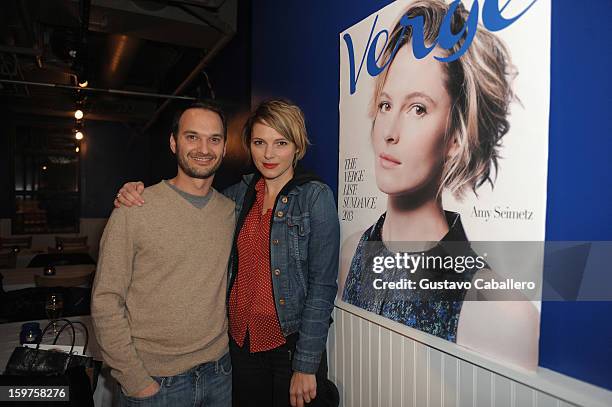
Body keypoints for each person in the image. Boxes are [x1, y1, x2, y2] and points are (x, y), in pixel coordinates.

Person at [339, 0, 539, 368]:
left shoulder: (498, 309)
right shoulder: (352, 254)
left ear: (456, 138)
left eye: (418, 108)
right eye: (385, 105)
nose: (390, 133)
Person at [115, 99, 340, 406]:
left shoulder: (315, 198)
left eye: (281, 142)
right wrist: (135, 191)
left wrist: (306, 363)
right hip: (239, 347)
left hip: (288, 350)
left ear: (297, 147)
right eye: (260, 142)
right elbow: (191, 201)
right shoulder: (236, 197)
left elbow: (323, 286)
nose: (269, 154)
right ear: (249, 145)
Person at [92, 101, 235, 406]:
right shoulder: (135, 210)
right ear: (173, 142)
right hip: (155, 383)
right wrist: (134, 379)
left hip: (220, 374)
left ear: (224, 148)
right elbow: (106, 299)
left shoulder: (230, 211)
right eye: (192, 136)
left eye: (214, 139)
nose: (203, 148)